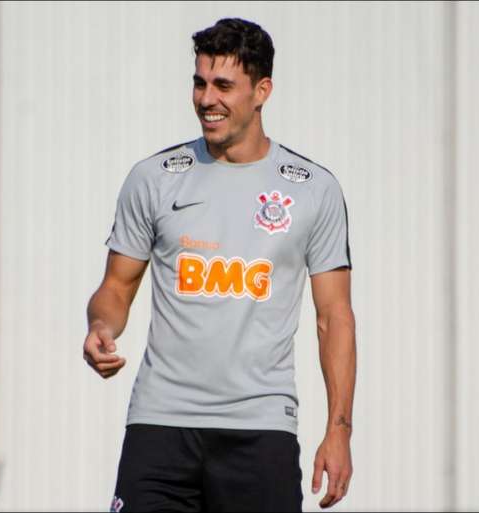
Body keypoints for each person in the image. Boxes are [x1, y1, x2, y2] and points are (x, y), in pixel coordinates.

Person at [83, 17, 356, 512]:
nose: (207, 99)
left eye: (224, 85)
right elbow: (116, 288)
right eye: (200, 82)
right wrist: (101, 326)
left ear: (262, 90)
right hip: (160, 424)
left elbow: (333, 317)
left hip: (261, 431)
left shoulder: (314, 190)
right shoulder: (153, 179)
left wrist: (339, 431)